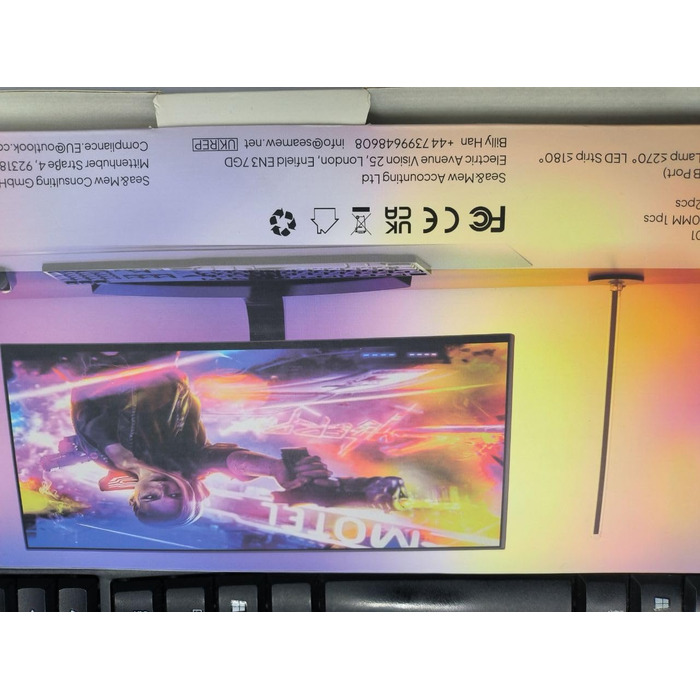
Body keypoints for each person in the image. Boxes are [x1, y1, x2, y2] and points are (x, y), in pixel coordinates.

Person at [69, 356, 406, 526]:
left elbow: (84, 406)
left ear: (134, 499)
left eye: (152, 497)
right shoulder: (187, 463)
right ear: (187, 490)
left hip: (108, 357)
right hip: (161, 357)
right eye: (174, 495)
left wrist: (114, 450)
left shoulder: (107, 458)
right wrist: (275, 468)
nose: (162, 488)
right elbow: (225, 461)